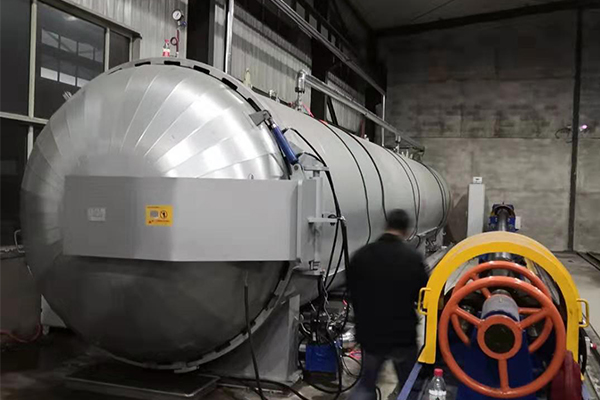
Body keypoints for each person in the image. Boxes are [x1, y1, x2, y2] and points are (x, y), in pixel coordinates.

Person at [347, 209, 429, 400]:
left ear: (386, 226)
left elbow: (352, 291)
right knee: (410, 387)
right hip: (402, 334)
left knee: (366, 387)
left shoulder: (362, 255)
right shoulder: (412, 258)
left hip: (370, 334)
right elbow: (424, 294)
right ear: (406, 230)